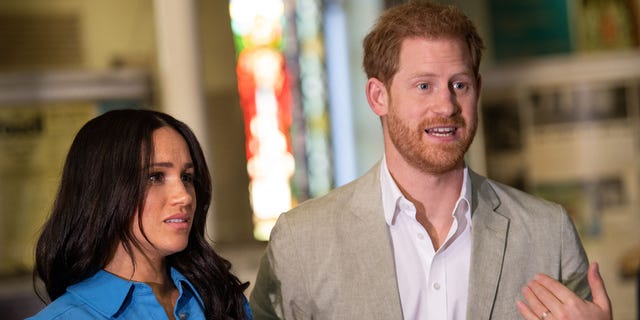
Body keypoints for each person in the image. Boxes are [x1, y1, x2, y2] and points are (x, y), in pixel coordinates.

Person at [249, 1, 612, 319]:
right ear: (378, 97)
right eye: (424, 86)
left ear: (477, 90)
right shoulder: (302, 241)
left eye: (460, 85)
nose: (446, 105)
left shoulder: (547, 233)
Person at [28, 109, 253, 319]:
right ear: (101, 190)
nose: (184, 196)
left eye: (187, 177)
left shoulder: (223, 300)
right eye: (155, 176)